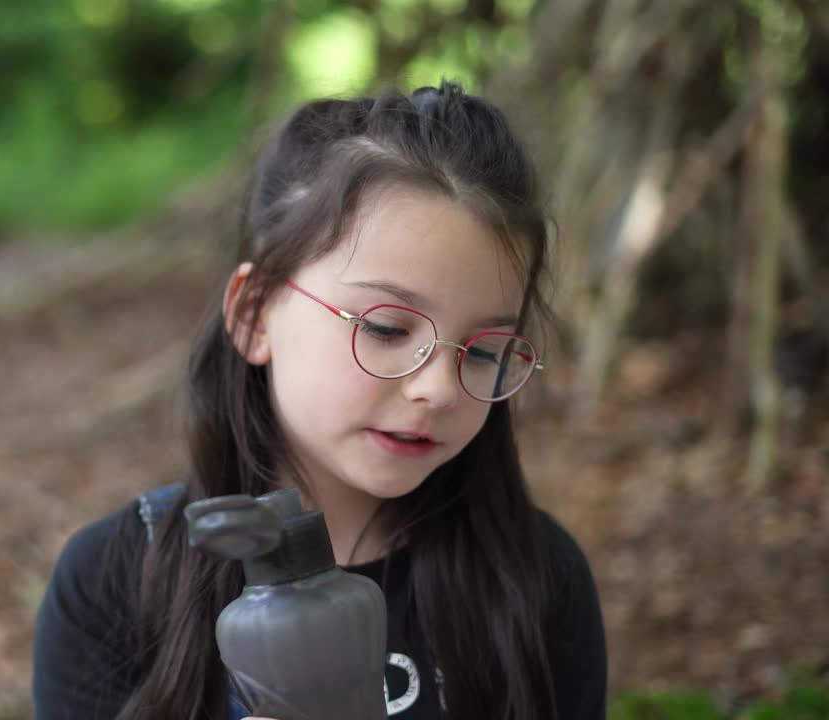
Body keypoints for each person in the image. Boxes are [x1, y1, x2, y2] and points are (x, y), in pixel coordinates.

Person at [32, 82, 608, 720]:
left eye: (483, 349)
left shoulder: (536, 580)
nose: (439, 388)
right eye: (387, 329)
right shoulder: (116, 577)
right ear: (254, 315)